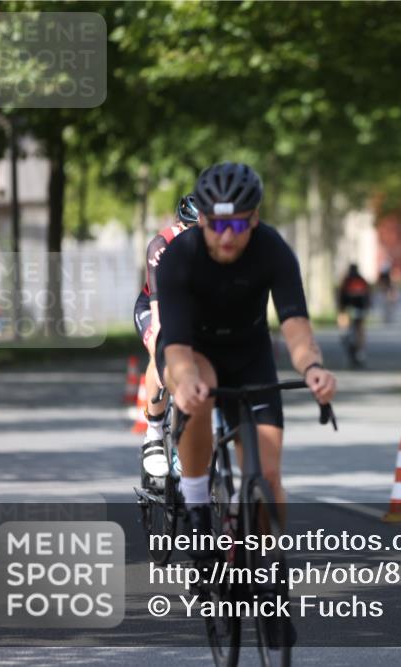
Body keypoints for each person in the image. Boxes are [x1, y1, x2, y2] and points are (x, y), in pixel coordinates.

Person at [155, 162, 336, 554]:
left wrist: (313, 368)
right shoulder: (178, 257)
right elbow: (178, 350)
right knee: (197, 391)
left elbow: (296, 328)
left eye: (237, 226)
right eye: (217, 227)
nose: (226, 238)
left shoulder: (272, 249)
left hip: (249, 352)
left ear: (254, 219)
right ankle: (198, 504)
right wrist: (183, 380)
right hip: (190, 349)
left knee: (269, 480)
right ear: (200, 220)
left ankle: (268, 577)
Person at [132, 194, 199, 490]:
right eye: (191, 231)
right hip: (153, 307)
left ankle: (188, 435)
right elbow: (159, 317)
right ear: (180, 226)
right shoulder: (161, 246)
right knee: (161, 351)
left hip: (190, 308)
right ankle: (155, 433)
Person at [337, 263, 371, 367]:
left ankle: (343, 334)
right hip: (360, 309)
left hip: (348, 309)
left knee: (346, 326)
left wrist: (340, 308)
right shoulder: (362, 280)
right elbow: (367, 296)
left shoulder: (346, 280)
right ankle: (360, 350)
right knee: (359, 328)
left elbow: (341, 296)